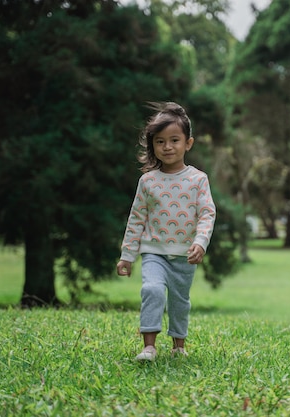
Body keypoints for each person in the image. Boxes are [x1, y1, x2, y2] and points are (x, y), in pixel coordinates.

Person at [116, 102, 216, 361]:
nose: (168, 147)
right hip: (154, 252)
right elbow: (136, 219)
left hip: (185, 254)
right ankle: (149, 346)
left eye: (174, 140)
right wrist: (127, 255)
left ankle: (178, 346)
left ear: (188, 143)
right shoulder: (148, 181)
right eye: (160, 141)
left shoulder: (198, 179)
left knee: (179, 301)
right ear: (153, 146)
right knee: (152, 290)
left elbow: (207, 213)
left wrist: (201, 242)